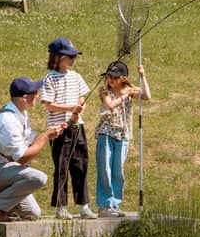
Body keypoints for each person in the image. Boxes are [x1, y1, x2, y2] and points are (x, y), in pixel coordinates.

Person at [0, 76, 65, 222]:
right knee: (39, 178)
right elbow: (22, 158)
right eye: (34, 92)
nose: (37, 94)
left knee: (32, 213)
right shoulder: (8, 121)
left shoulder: (21, 113)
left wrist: (51, 133)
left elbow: (30, 142)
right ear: (24, 97)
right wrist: (45, 137)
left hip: (5, 170)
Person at [42, 37, 92, 219]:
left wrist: (78, 110)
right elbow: (48, 104)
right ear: (57, 57)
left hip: (77, 126)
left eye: (74, 56)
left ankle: (83, 205)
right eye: (69, 56)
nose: (73, 59)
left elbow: (81, 98)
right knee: (62, 167)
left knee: (80, 165)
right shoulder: (49, 78)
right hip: (58, 129)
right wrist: (69, 109)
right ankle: (61, 207)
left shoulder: (76, 76)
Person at [95, 61, 153, 217]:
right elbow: (110, 105)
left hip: (123, 135)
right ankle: (104, 205)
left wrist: (143, 76)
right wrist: (125, 95)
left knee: (117, 171)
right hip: (106, 133)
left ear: (123, 78)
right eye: (108, 76)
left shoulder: (129, 90)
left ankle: (115, 204)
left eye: (114, 76)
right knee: (105, 169)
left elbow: (147, 96)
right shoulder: (105, 92)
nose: (110, 79)